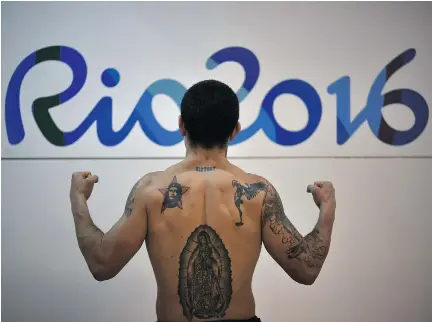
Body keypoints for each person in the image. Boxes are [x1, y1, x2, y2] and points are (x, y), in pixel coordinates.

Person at [69, 80, 336, 322]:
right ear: (235, 130)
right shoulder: (259, 192)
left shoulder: (149, 190)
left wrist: (78, 198)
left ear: (181, 125)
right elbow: (305, 269)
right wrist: (327, 208)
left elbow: (101, 264)